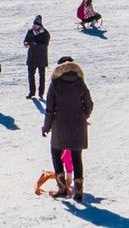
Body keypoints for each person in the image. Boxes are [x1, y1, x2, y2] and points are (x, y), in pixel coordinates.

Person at [42, 55, 93, 200]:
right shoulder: (80, 82)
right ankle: (78, 192)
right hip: (78, 125)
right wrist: (83, 116)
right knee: (77, 156)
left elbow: (50, 109)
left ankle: (63, 188)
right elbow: (89, 104)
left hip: (60, 124)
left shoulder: (55, 83)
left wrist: (47, 126)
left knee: (55, 152)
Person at [25, 16, 51, 98]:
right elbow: (26, 40)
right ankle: (32, 92)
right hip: (32, 56)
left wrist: (35, 44)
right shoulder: (30, 32)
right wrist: (26, 43)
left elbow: (45, 44)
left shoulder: (45, 33)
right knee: (31, 76)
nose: (35, 26)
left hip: (41, 57)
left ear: (40, 25)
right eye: (34, 24)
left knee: (42, 76)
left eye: (36, 24)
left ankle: (41, 93)